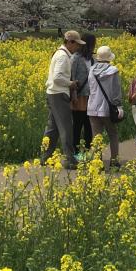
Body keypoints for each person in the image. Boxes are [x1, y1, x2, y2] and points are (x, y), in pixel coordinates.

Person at [41, 30, 86, 169]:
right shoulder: (63, 56)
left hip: (53, 93)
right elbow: (57, 78)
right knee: (66, 127)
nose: (78, 47)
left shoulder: (61, 54)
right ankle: (71, 160)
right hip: (59, 94)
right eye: (76, 44)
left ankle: (45, 157)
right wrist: (70, 83)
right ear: (70, 42)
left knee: (52, 128)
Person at [87, 45, 124, 169]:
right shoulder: (113, 70)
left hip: (92, 107)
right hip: (108, 108)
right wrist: (119, 106)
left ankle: (98, 163)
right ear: (109, 58)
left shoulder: (91, 70)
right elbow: (115, 91)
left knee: (96, 136)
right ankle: (114, 161)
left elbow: (90, 88)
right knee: (112, 134)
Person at [70, 33, 96, 156]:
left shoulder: (92, 59)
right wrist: (73, 95)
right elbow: (72, 77)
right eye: (93, 44)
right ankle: (75, 154)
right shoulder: (75, 58)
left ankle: (86, 153)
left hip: (91, 97)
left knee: (89, 126)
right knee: (77, 126)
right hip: (79, 97)